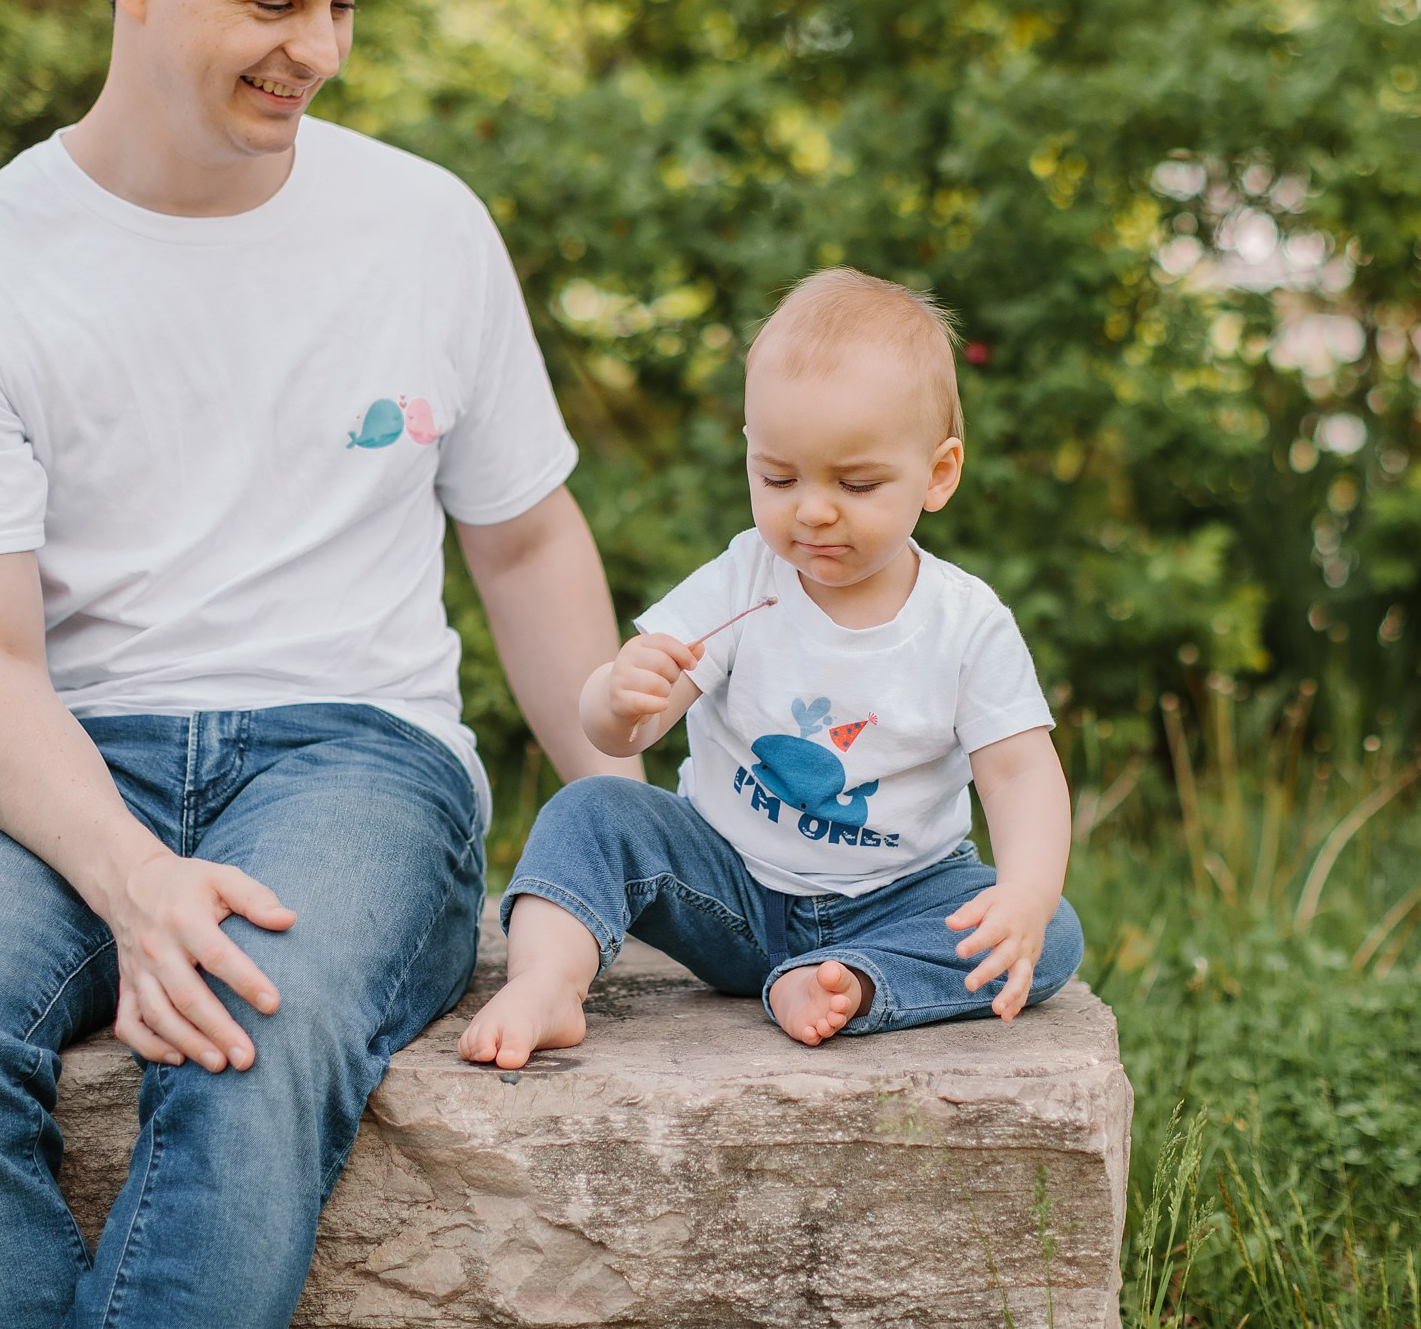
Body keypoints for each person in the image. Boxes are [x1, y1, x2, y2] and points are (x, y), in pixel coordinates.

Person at [0, 0, 630, 1329]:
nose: (316, 51)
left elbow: (525, 543)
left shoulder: (424, 224)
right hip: (68, 754)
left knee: (249, 1016)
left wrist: (620, 832)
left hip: (360, 759)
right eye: (273, 0)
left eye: (344, 3)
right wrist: (135, 885)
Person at [460, 268, 1082, 1066]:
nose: (812, 508)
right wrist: (615, 697)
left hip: (900, 896)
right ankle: (548, 979)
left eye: (856, 482)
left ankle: (849, 983)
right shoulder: (746, 577)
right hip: (727, 886)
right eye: (778, 477)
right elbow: (632, 727)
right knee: (591, 809)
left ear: (938, 474)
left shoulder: (967, 625)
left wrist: (1023, 895)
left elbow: (1022, 775)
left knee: (1051, 933)